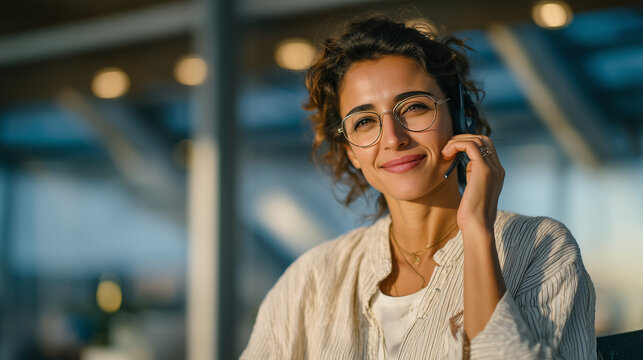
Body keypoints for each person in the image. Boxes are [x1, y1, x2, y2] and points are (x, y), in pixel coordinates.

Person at [241, 14, 596, 360]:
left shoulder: (541, 249)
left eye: (413, 107)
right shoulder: (311, 280)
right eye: (365, 121)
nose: (393, 138)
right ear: (350, 151)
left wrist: (476, 233)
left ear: (458, 119)